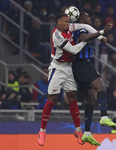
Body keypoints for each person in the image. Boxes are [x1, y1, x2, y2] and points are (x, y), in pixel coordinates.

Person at [37, 13, 108, 146]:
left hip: (69, 67)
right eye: (65, 22)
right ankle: (42, 131)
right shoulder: (56, 35)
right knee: (52, 98)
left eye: (69, 21)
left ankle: (78, 131)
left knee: (72, 97)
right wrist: (85, 41)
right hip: (57, 68)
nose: (68, 24)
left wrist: (101, 35)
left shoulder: (68, 27)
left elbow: (86, 26)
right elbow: (74, 50)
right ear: (58, 23)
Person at [72, 12, 116, 146]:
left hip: (78, 67)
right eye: (88, 17)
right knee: (101, 87)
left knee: (91, 99)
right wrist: (101, 32)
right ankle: (104, 116)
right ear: (81, 19)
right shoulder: (81, 29)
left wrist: (100, 35)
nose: (90, 18)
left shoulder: (81, 29)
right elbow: (84, 37)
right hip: (82, 65)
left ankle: (86, 133)